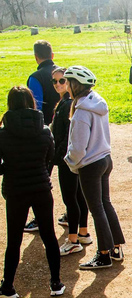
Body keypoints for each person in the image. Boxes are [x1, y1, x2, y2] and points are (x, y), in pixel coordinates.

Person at [0, 86, 65, 298]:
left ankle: (8, 286)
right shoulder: (45, 130)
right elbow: (50, 156)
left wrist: (9, 167)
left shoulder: (3, 133)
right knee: (49, 236)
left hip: (16, 189)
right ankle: (56, 282)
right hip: (40, 187)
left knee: (14, 240)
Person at [63, 66, 126, 270]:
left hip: (90, 164)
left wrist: (71, 162)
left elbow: (78, 147)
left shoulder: (81, 112)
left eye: (67, 83)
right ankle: (115, 248)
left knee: (96, 208)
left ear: (75, 85)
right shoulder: (97, 101)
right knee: (105, 204)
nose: (65, 87)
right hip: (105, 159)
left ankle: (104, 255)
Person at [50, 67, 92, 256]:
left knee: (70, 198)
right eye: (55, 81)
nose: (58, 85)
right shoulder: (67, 102)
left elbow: (65, 136)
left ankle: (73, 239)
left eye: (62, 81)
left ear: (70, 83)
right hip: (71, 157)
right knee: (78, 196)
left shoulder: (68, 104)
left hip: (67, 158)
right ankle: (83, 232)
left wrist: (57, 156)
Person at [23, 40, 59, 234]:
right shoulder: (63, 73)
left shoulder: (35, 77)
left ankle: (39, 218)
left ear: (36, 57)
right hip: (66, 126)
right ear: (52, 55)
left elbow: (34, 107)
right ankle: (73, 214)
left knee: (42, 175)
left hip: (45, 130)